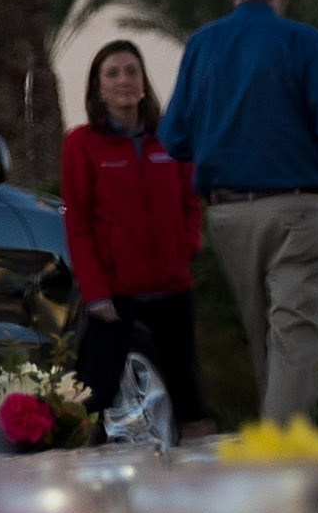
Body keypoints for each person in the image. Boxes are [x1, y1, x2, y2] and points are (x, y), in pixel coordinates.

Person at [158, 0, 318, 428]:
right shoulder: (301, 42)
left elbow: (173, 136)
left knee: (265, 338)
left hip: (228, 214)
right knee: (294, 336)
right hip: (295, 207)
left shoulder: (202, 46)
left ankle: (284, 444)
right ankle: (280, 456)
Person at [56, 37, 207, 438]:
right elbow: (79, 224)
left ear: (144, 81)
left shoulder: (172, 139)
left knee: (189, 397)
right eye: (113, 73)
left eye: (132, 70)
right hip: (116, 296)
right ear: (97, 87)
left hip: (171, 288)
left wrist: (188, 245)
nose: (124, 80)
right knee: (92, 397)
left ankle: (203, 482)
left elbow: (191, 202)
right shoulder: (81, 145)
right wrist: (96, 293)